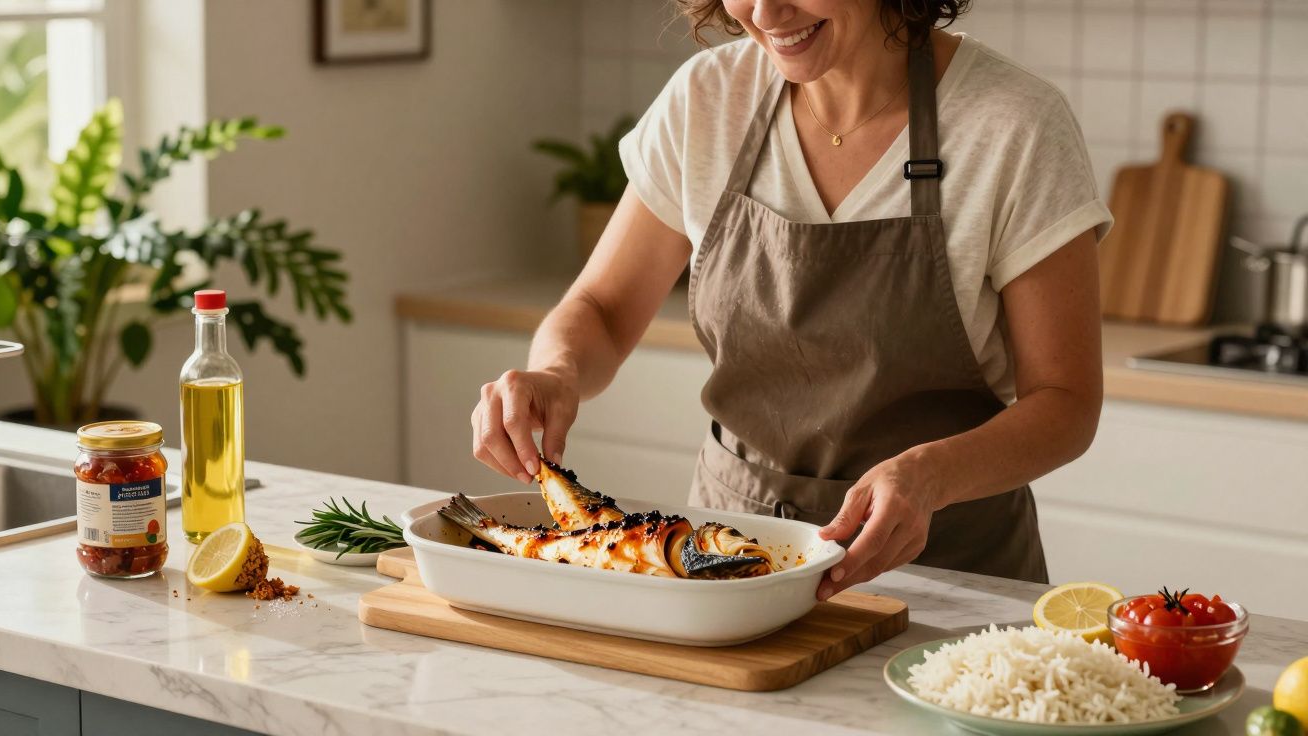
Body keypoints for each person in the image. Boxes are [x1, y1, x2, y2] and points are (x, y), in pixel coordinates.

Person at [471, 0, 1111, 600]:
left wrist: (928, 476)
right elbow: (603, 311)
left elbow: (1066, 402)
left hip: (950, 576)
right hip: (729, 565)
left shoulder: (1014, 124)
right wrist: (557, 373)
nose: (766, 13)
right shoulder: (706, 101)